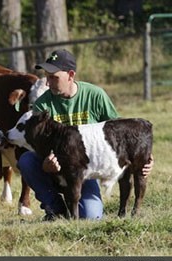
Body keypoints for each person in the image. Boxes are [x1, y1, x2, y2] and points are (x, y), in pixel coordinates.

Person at [17, 49, 154, 221]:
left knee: (91, 215)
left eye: (54, 77)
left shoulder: (95, 96)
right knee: (27, 160)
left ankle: (80, 206)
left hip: (84, 170)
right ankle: (55, 208)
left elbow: (120, 134)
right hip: (54, 168)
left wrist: (145, 157)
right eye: (47, 76)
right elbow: (35, 143)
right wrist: (45, 164)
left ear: (71, 75)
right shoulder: (42, 105)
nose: (48, 83)